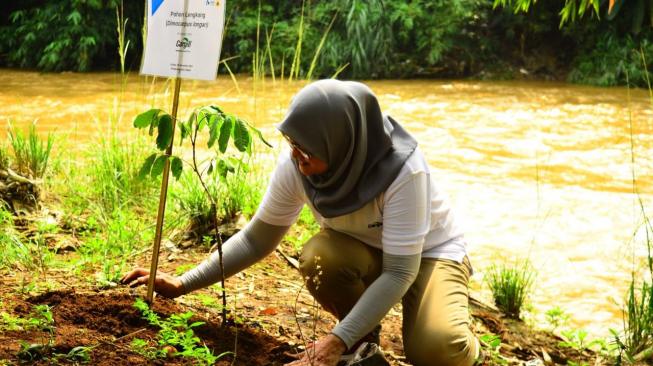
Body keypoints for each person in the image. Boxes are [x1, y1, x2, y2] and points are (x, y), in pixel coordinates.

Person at [121, 79, 479, 366]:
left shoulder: (404, 171)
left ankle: (468, 345)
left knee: (435, 351)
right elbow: (255, 240)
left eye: (308, 148)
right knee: (320, 256)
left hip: (430, 254)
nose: (297, 155)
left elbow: (400, 272)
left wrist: (334, 339)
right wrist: (183, 284)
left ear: (341, 143)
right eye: (292, 142)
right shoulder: (297, 165)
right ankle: (362, 344)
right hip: (359, 252)